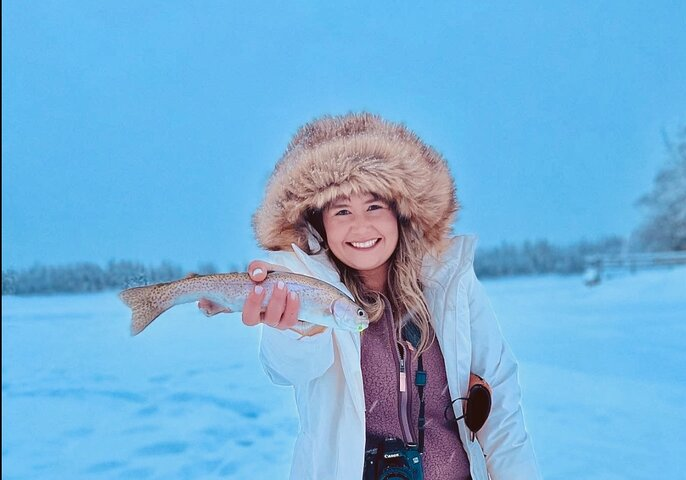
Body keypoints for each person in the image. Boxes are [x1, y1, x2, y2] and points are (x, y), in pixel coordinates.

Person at [199, 113, 541, 479]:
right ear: (319, 223)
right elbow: (286, 369)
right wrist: (295, 328)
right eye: (341, 210)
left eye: (374, 206)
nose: (360, 226)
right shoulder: (307, 290)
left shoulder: (451, 284)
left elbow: (501, 405)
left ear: (400, 212)